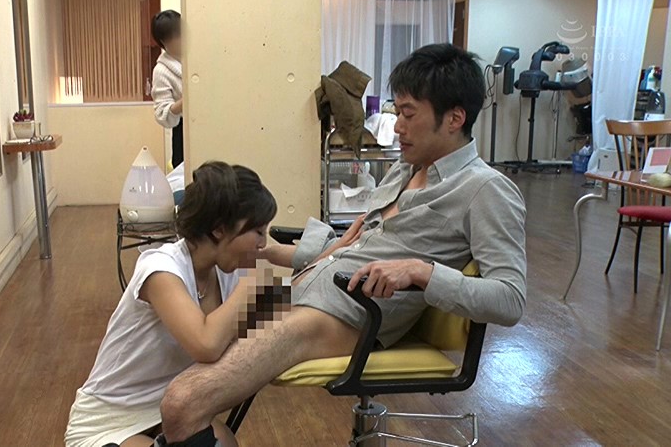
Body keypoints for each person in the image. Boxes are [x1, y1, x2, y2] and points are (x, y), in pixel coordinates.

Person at [153, 43, 528, 447]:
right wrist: (272, 251)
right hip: (306, 290)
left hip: (347, 315)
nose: (397, 127)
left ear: (454, 118)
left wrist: (422, 272)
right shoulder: (404, 170)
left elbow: (509, 299)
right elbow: (357, 247)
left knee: (182, 403)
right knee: (183, 382)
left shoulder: (485, 190)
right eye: (397, 112)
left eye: (408, 114)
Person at [65, 162, 277, 447]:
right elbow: (205, 344)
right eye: (258, 232)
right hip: (108, 421)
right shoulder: (160, 269)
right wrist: (252, 285)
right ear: (219, 229)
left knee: (226, 443)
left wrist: (316, 256)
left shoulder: (226, 270)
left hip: (168, 411)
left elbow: (279, 312)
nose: (263, 243)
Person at [150, 10, 184, 168]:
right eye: (175, 36)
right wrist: (186, 101)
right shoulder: (161, 70)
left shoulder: (197, 57)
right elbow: (162, 114)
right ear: (163, 41)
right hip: (184, 131)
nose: (181, 39)